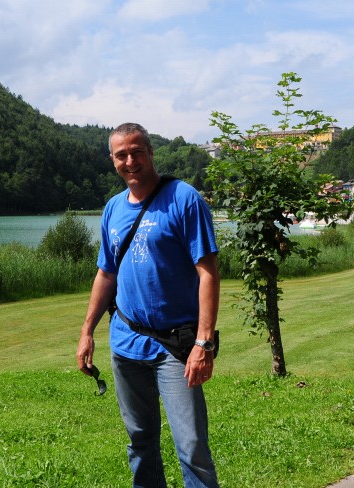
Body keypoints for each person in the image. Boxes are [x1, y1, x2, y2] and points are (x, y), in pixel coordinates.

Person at [77, 122, 220, 487]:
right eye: (121, 155)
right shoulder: (112, 209)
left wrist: (203, 343)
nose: (130, 161)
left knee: (191, 447)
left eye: (137, 151)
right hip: (126, 343)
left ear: (151, 153)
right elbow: (106, 273)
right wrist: (87, 331)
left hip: (175, 347)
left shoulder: (184, 199)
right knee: (140, 441)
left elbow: (208, 273)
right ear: (112, 160)